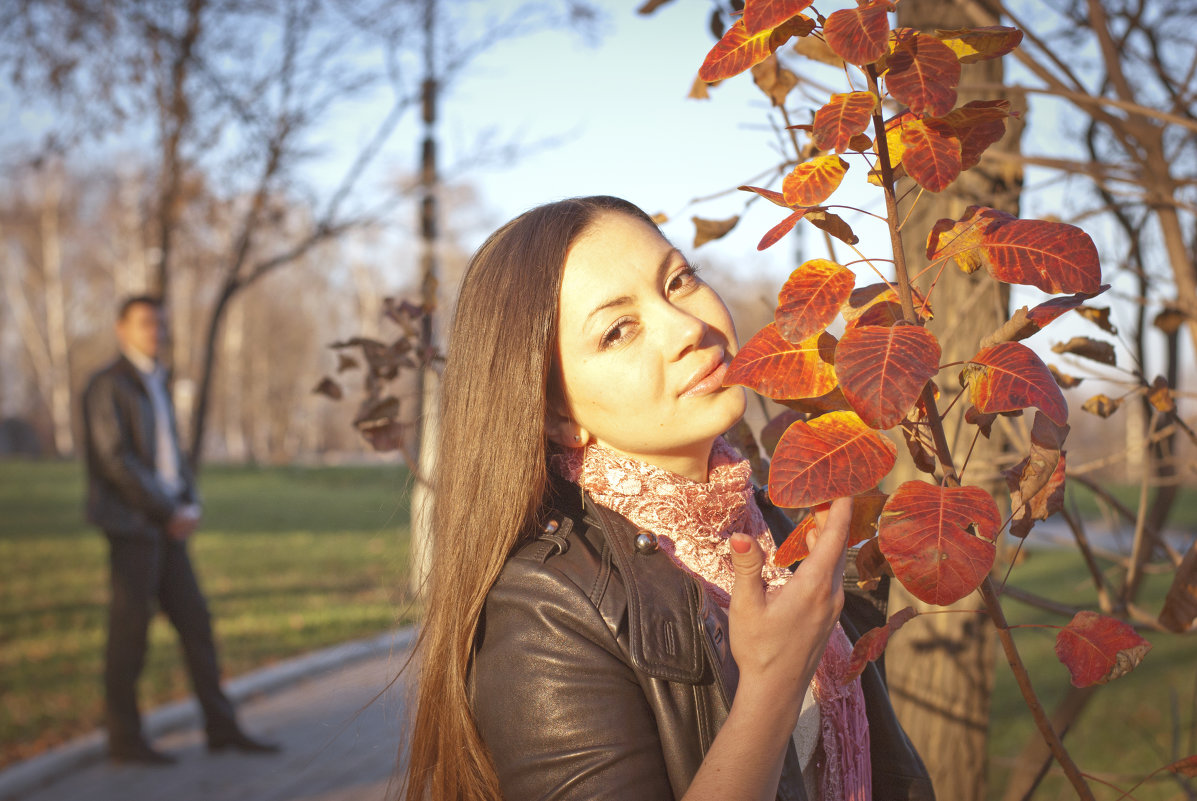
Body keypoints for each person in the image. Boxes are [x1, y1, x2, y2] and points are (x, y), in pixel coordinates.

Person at [401, 197, 933, 801]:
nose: (688, 327)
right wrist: (771, 687)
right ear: (554, 413)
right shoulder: (543, 610)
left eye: (679, 280)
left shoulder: (777, 525)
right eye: (617, 330)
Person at [82, 295, 279, 764]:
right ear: (121, 329)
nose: (157, 332)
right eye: (146, 323)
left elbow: (172, 456)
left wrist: (190, 500)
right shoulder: (107, 386)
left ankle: (221, 727)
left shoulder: (158, 381)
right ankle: (124, 741)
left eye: (161, 324)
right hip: (133, 527)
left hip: (168, 527)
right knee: (130, 634)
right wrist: (168, 508)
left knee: (197, 625)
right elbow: (115, 461)